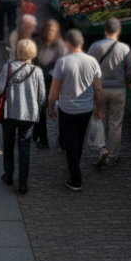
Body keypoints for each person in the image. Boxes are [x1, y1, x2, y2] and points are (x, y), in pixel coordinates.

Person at [48, 29, 103, 191]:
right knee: (78, 141)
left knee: (71, 143)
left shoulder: (62, 62)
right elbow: (98, 90)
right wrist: (99, 109)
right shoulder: (92, 61)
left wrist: (51, 108)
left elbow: (53, 91)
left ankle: (75, 178)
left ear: (67, 44)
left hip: (67, 109)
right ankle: (75, 167)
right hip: (86, 109)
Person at [0, 39, 45, 194]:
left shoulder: (8, 67)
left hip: (9, 113)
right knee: (25, 148)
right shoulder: (37, 71)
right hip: (28, 115)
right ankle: (23, 182)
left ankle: (8, 175)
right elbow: (41, 97)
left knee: (8, 145)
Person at [87, 17, 131, 167]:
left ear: (105, 31)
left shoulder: (95, 47)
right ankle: (113, 155)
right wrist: (126, 82)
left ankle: (102, 148)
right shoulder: (124, 49)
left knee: (98, 118)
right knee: (115, 123)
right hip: (118, 90)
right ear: (118, 31)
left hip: (99, 89)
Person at [33, 19, 68, 149]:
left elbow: (63, 64)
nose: (49, 32)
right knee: (41, 109)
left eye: (52, 30)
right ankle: (42, 138)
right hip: (40, 80)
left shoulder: (60, 45)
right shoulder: (38, 43)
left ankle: (62, 141)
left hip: (55, 81)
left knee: (62, 110)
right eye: (47, 29)